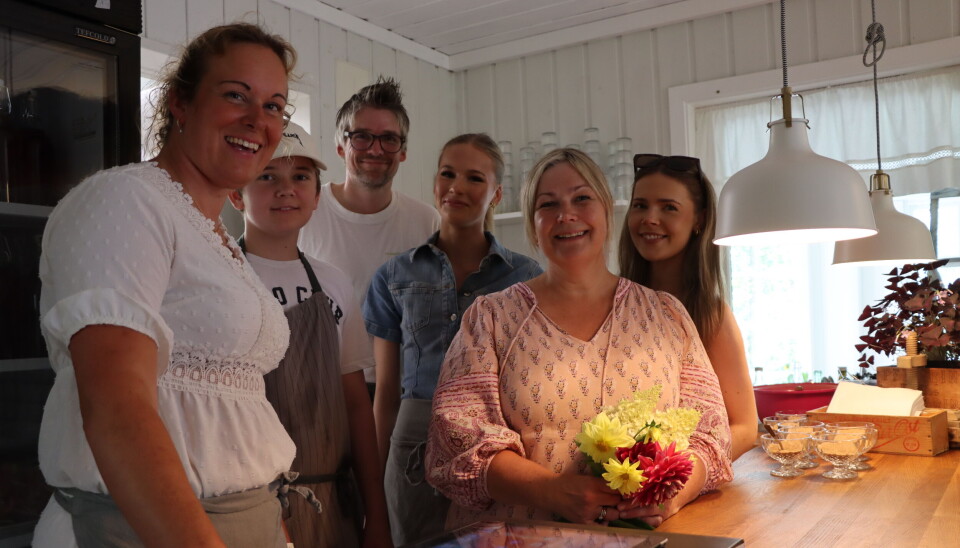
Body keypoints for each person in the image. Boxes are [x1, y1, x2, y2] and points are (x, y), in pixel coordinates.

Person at [32, 24, 300, 547]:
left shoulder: (219, 238)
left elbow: (241, 424)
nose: (257, 121)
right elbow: (116, 408)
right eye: (235, 96)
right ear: (180, 102)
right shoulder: (126, 201)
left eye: (274, 106)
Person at [426, 148, 733, 530]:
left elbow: (711, 435)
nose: (565, 215)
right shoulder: (490, 318)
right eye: (548, 204)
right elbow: (457, 441)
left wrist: (674, 496)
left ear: (606, 209)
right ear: (532, 224)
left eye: (582, 198)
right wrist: (552, 491)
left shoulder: (666, 314)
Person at [364, 133, 542, 545]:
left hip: (497, 448)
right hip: (412, 449)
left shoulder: (525, 278)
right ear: (434, 183)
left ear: (496, 194)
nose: (457, 187)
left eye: (474, 178)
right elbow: (387, 391)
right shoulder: (393, 276)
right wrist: (371, 484)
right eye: (448, 173)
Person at [227, 122, 392, 548]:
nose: (286, 190)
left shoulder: (334, 285)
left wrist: (377, 514)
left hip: (331, 506)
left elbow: (356, 404)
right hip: (246, 508)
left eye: (300, 177)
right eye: (267, 176)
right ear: (234, 193)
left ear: (317, 196)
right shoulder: (218, 281)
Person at [298, 77, 440, 396]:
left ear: (402, 151)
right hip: (321, 384)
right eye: (361, 137)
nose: (376, 150)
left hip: (404, 388)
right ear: (340, 146)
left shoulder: (425, 221)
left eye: (389, 139)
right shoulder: (304, 213)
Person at [619, 154, 757, 461]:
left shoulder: (711, 316)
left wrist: (675, 474)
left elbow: (745, 428)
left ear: (700, 220)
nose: (649, 218)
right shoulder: (610, 307)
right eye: (640, 205)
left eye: (669, 207)